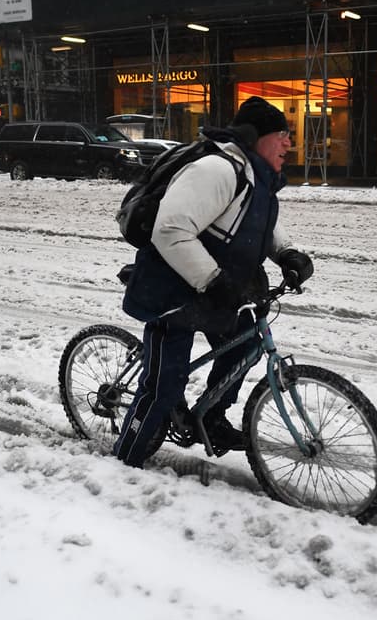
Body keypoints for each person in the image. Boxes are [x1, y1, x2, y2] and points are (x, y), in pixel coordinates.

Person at [113, 97, 315, 467]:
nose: (289, 142)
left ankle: (210, 417)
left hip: (213, 290)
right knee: (164, 386)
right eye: (282, 135)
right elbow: (171, 230)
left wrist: (287, 253)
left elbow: (258, 224)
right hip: (172, 290)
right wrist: (213, 279)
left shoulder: (254, 178)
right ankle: (124, 464)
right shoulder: (216, 170)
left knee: (245, 344)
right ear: (255, 137)